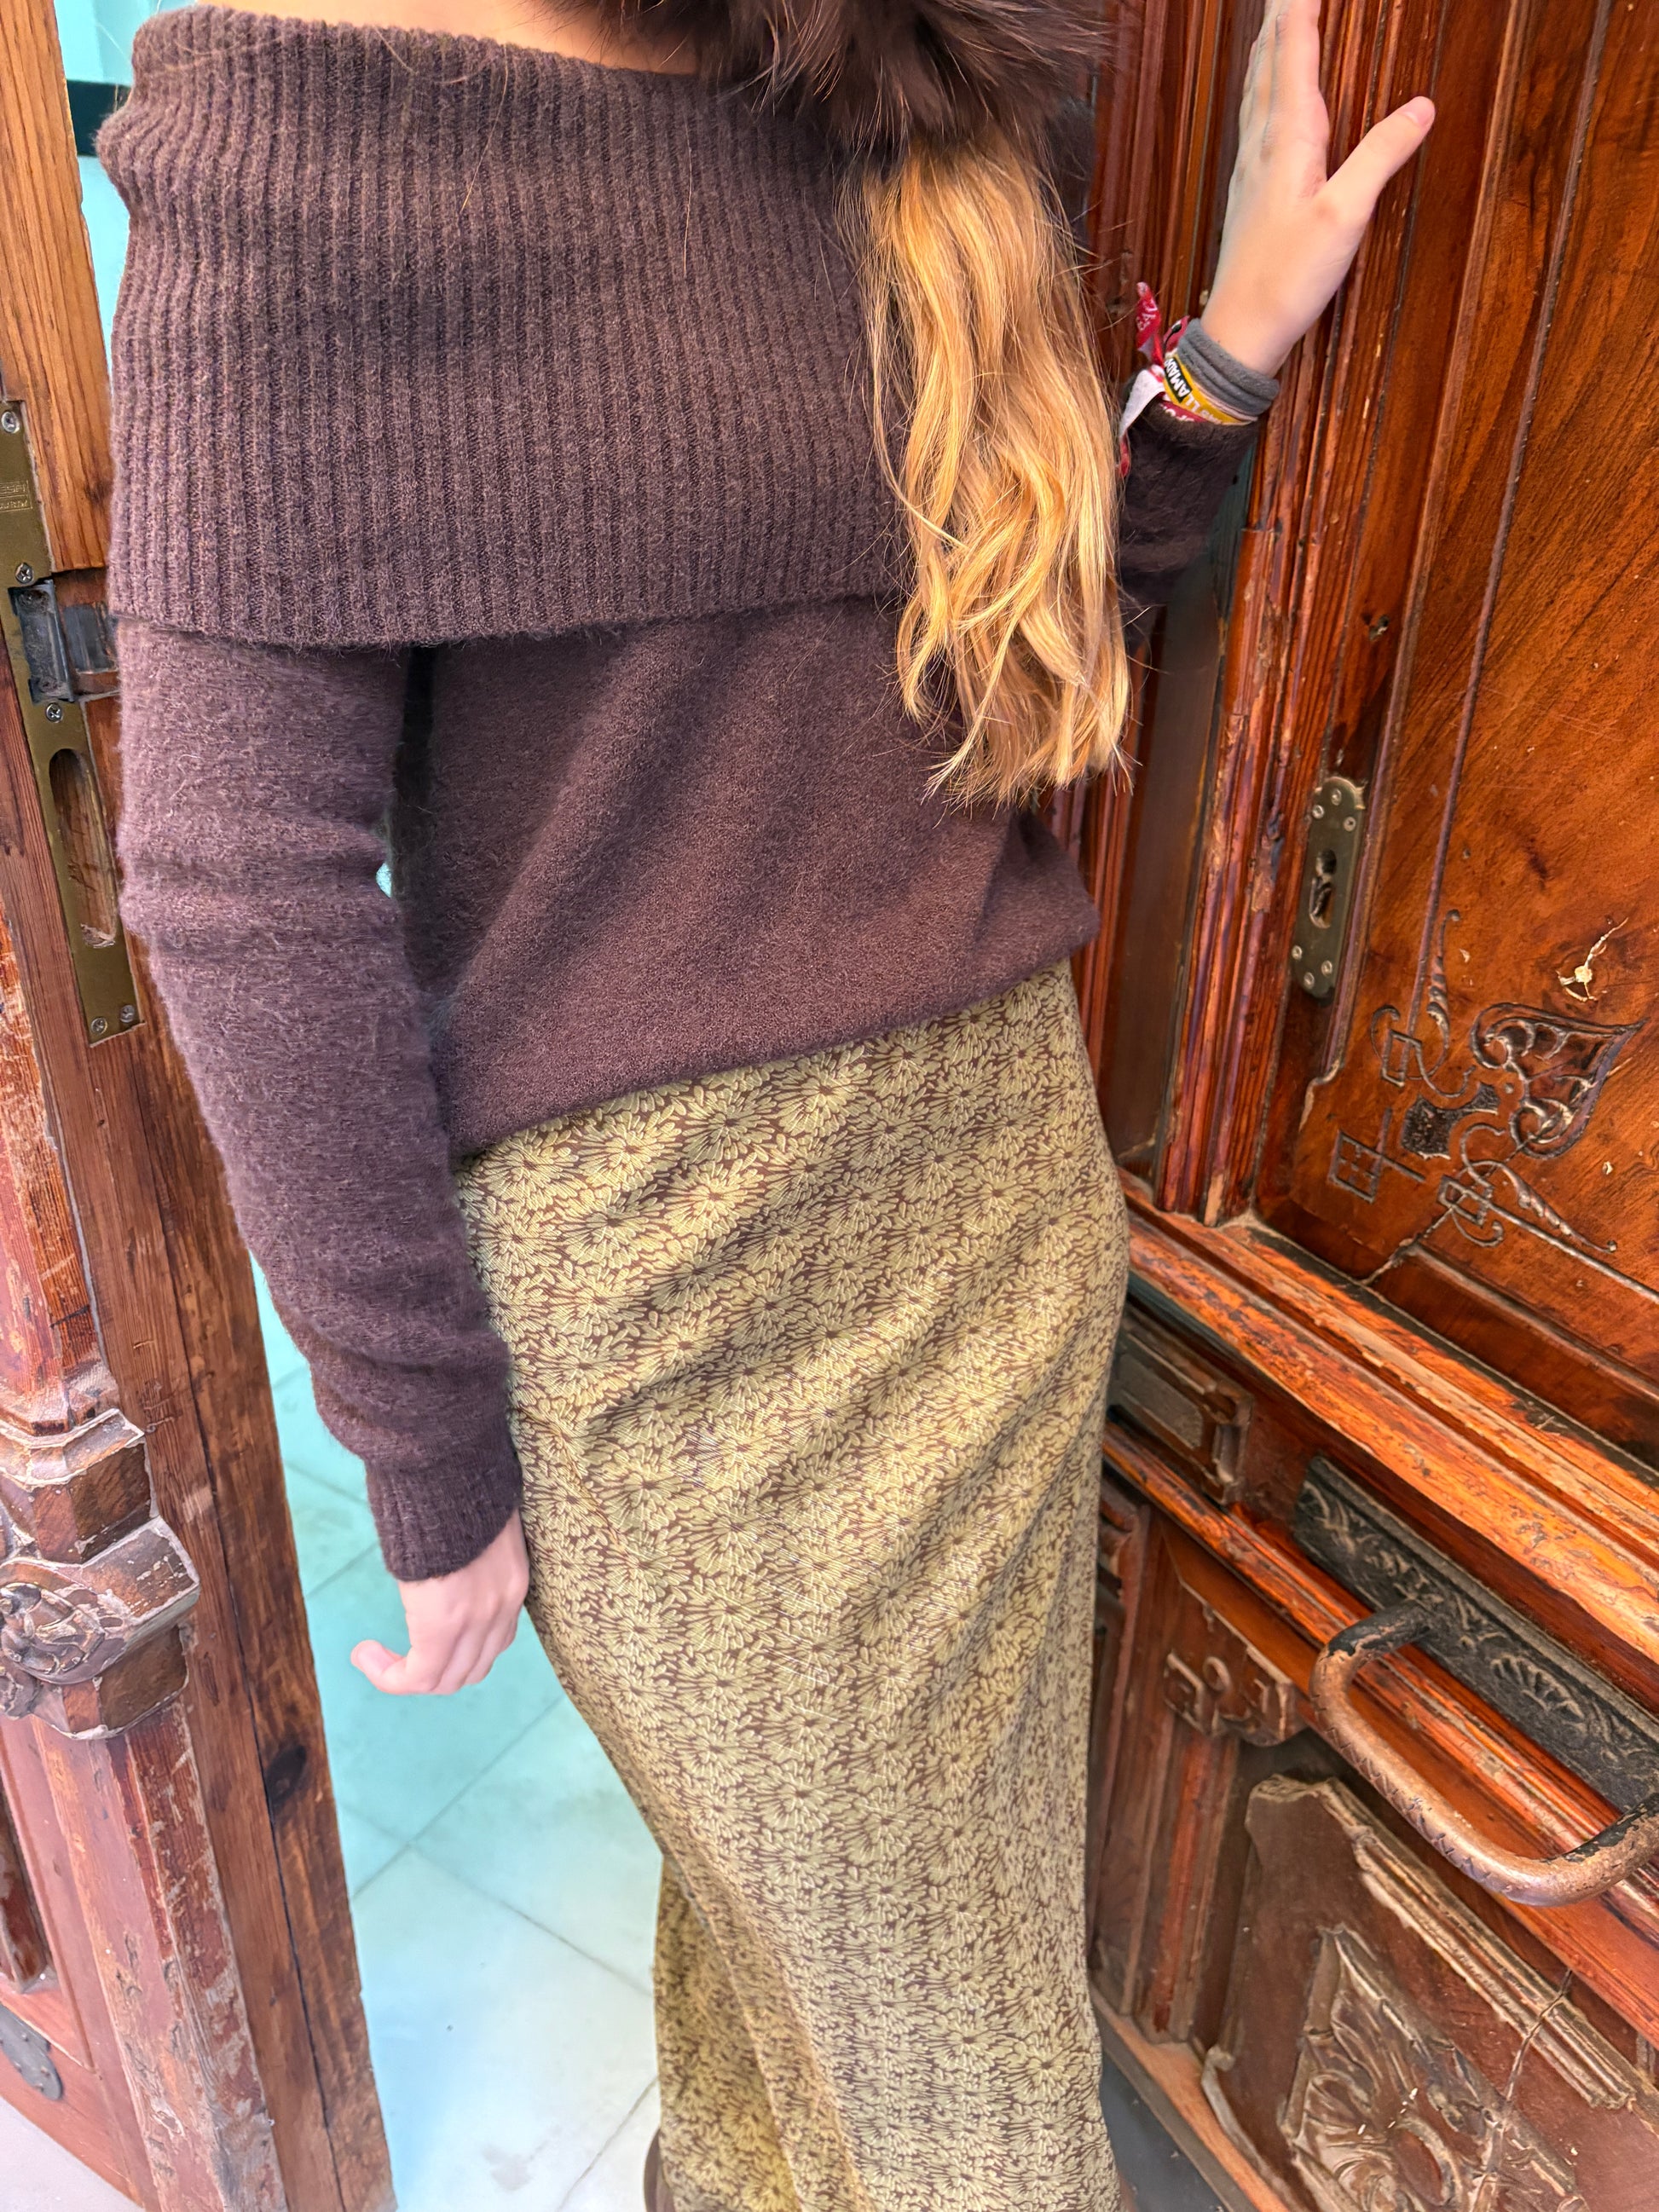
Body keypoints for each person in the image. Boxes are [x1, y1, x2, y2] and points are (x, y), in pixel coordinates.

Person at [95, 3, 1431, 2205]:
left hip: (998, 1213)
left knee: (834, 1974)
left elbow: (995, 638)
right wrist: (425, 1445)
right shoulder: (305, 129)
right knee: (964, 2101)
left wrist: (1218, 367)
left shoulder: (919, 79)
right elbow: (239, 881)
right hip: (676, 1327)